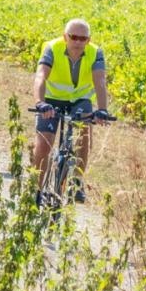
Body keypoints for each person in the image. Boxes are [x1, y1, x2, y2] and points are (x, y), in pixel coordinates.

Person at [31, 18, 111, 202]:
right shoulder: (52, 48)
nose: (78, 42)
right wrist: (39, 102)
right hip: (52, 100)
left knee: (84, 132)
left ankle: (76, 182)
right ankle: (36, 189)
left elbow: (99, 81)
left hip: (79, 100)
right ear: (65, 36)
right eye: (73, 37)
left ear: (88, 40)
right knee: (44, 144)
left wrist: (103, 109)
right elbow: (40, 76)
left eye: (83, 39)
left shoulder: (95, 53)